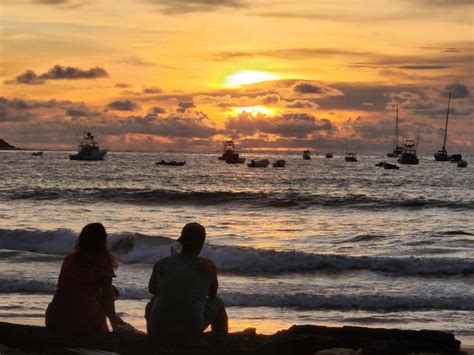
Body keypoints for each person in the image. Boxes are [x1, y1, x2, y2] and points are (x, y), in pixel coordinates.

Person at [146, 222, 228, 337]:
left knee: (152, 303)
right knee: (218, 302)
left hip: (159, 326)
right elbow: (212, 294)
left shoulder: (162, 263)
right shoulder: (208, 265)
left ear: (182, 241)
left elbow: (152, 290)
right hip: (191, 328)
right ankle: (221, 339)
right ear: (201, 244)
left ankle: (153, 337)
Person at [45, 223, 120, 333]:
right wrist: (115, 327)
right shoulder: (103, 261)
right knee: (109, 293)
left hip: (55, 316)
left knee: (110, 291)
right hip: (84, 319)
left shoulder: (70, 259)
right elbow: (107, 296)